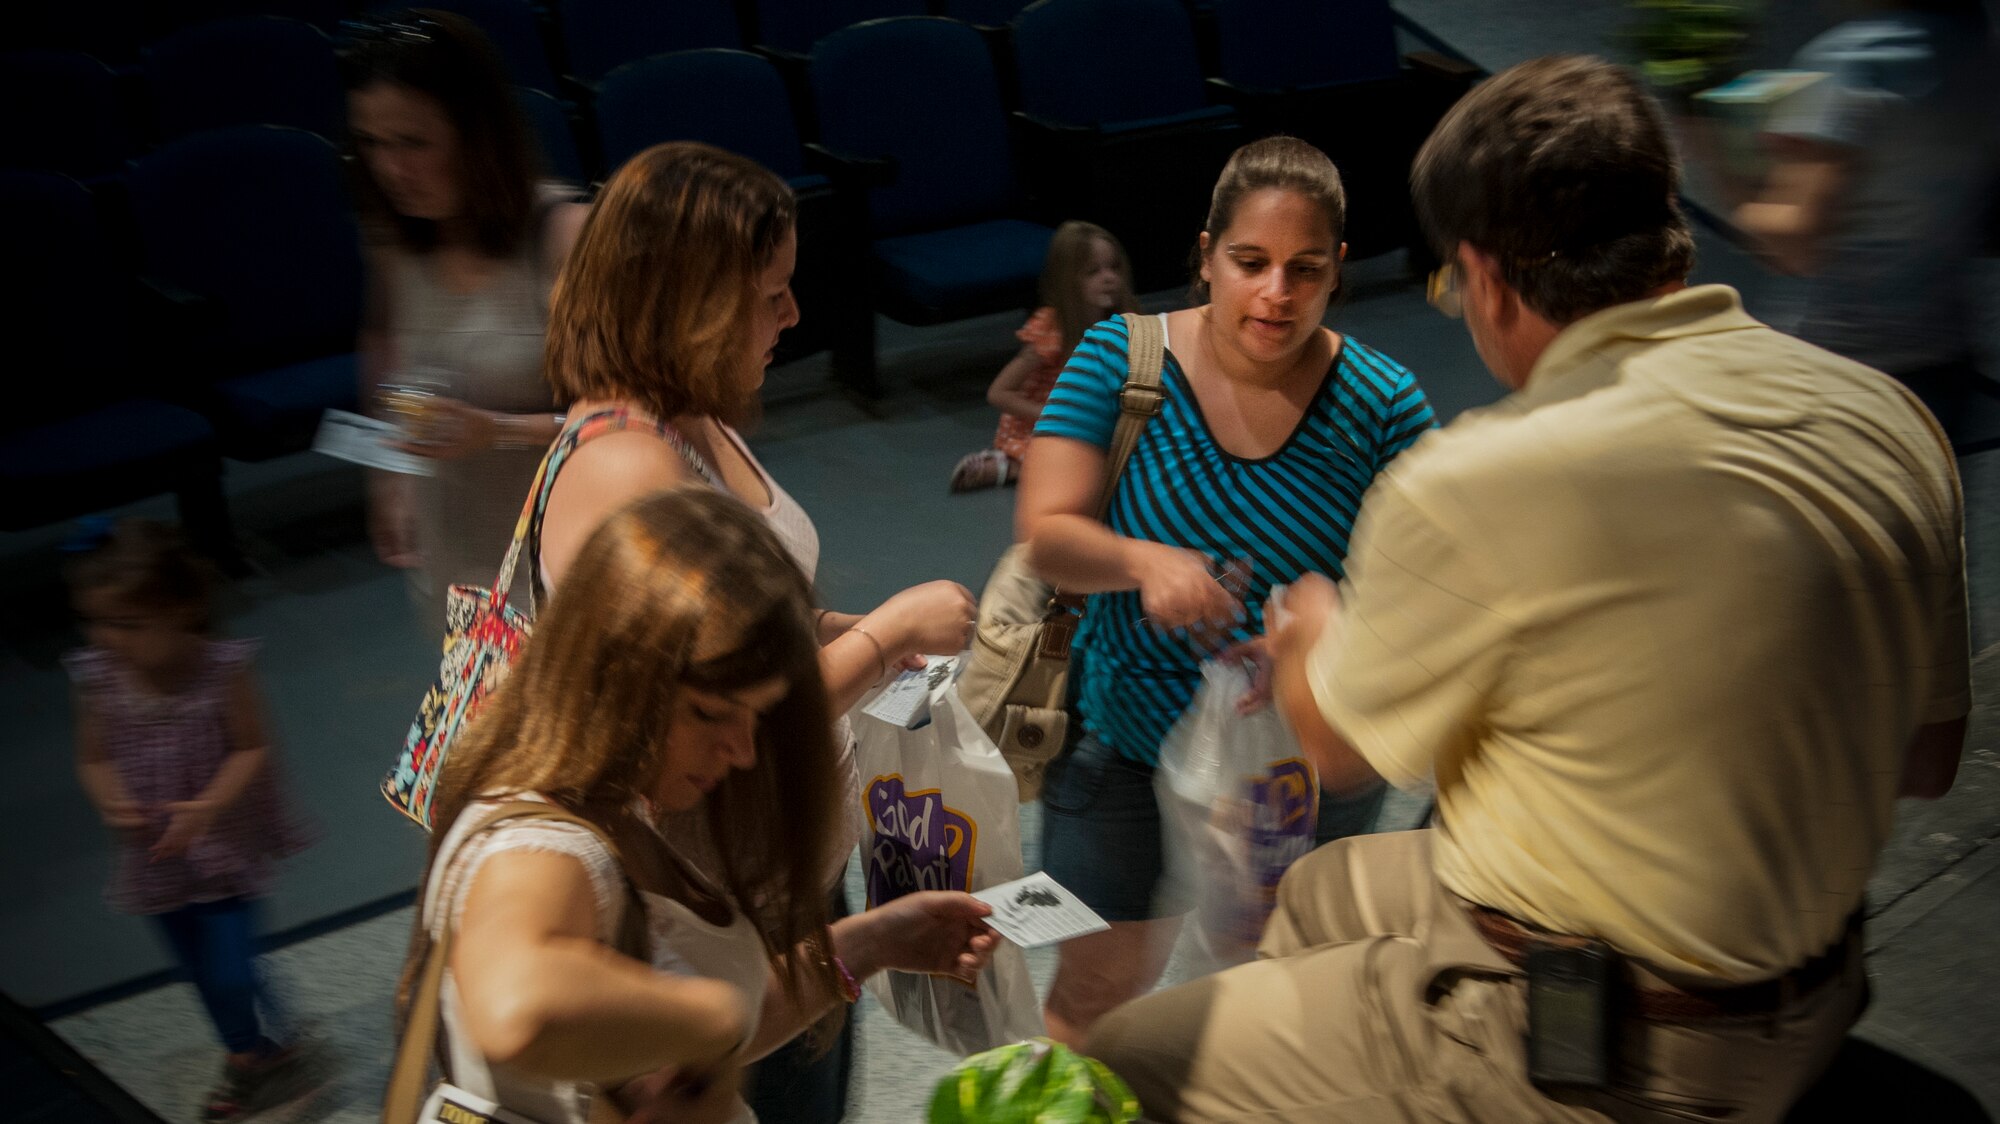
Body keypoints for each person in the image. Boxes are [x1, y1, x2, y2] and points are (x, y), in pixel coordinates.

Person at [1084, 55, 1970, 1123]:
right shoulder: (1884, 412)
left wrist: (1314, 630)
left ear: (1484, 276)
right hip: (1816, 969)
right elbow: (1926, 757)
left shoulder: (1479, 471)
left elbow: (1335, 750)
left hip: (1622, 1039)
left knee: (1133, 1053)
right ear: (1666, 229)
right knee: (1322, 887)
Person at [533, 140, 978, 1119]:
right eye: (767, 294)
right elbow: (703, 718)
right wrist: (888, 630)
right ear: (684, 300)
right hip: (713, 900)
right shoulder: (624, 472)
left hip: (778, 869)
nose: (791, 314)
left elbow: (754, 617)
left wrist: (843, 627)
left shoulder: (689, 417)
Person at [1015, 135, 1437, 1048]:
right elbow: (1047, 534)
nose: (1276, 294)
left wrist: (1317, 636)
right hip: (1125, 742)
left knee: (1292, 1005)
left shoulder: (1384, 402)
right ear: (1204, 256)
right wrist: (1144, 561)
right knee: (1099, 997)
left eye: (1305, 269)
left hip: (1305, 769)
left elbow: (1431, 592)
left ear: (1339, 272)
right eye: (1250, 263)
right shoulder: (1120, 362)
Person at [406, 487, 998, 1124]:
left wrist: (869, 943)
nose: (744, 751)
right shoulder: (539, 846)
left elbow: (701, 1026)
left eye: (756, 715)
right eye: (713, 714)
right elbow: (519, 1010)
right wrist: (716, 1018)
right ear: (622, 676)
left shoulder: (605, 803)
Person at [341, 9, 589, 615]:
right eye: (372, 144)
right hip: (459, 544)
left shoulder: (562, 235)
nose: (390, 170)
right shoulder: (394, 235)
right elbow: (383, 340)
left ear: (476, 134)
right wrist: (388, 468)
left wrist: (496, 431)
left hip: (571, 545)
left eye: (413, 143)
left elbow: (640, 420)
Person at [65, 521, 315, 1124]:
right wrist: (110, 799)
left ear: (182, 609)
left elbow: (252, 748)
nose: (110, 641)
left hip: (221, 848)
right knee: (198, 970)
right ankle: (255, 1045)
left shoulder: (222, 670)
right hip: (153, 856)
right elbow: (93, 757)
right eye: (98, 624)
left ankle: (257, 1052)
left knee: (228, 968)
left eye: (128, 625)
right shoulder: (99, 677)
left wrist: (207, 807)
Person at [1727, 0, 2000, 450]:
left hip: (1836, 367)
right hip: (1943, 357)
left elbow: (1791, 241)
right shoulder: (1975, 44)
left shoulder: (1846, 60)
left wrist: (1704, 142)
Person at [949, 221, 1137, 493]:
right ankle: (1007, 465)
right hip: (1042, 424)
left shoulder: (1124, 322)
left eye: (1114, 268)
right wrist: (1052, 417)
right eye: (1093, 272)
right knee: (1079, 468)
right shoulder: (1052, 329)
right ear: (1068, 280)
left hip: (1093, 416)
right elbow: (999, 392)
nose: (1108, 278)